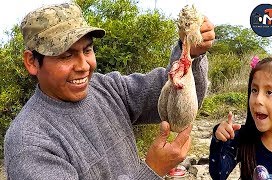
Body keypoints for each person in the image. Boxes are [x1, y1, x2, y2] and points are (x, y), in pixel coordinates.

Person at [4, 3, 215, 180]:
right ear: (32, 62)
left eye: (87, 50)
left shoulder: (106, 88)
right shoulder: (29, 142)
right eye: (66, 56)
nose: (84, 65)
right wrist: (151, 170)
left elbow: (177, 95)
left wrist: (190, 54)